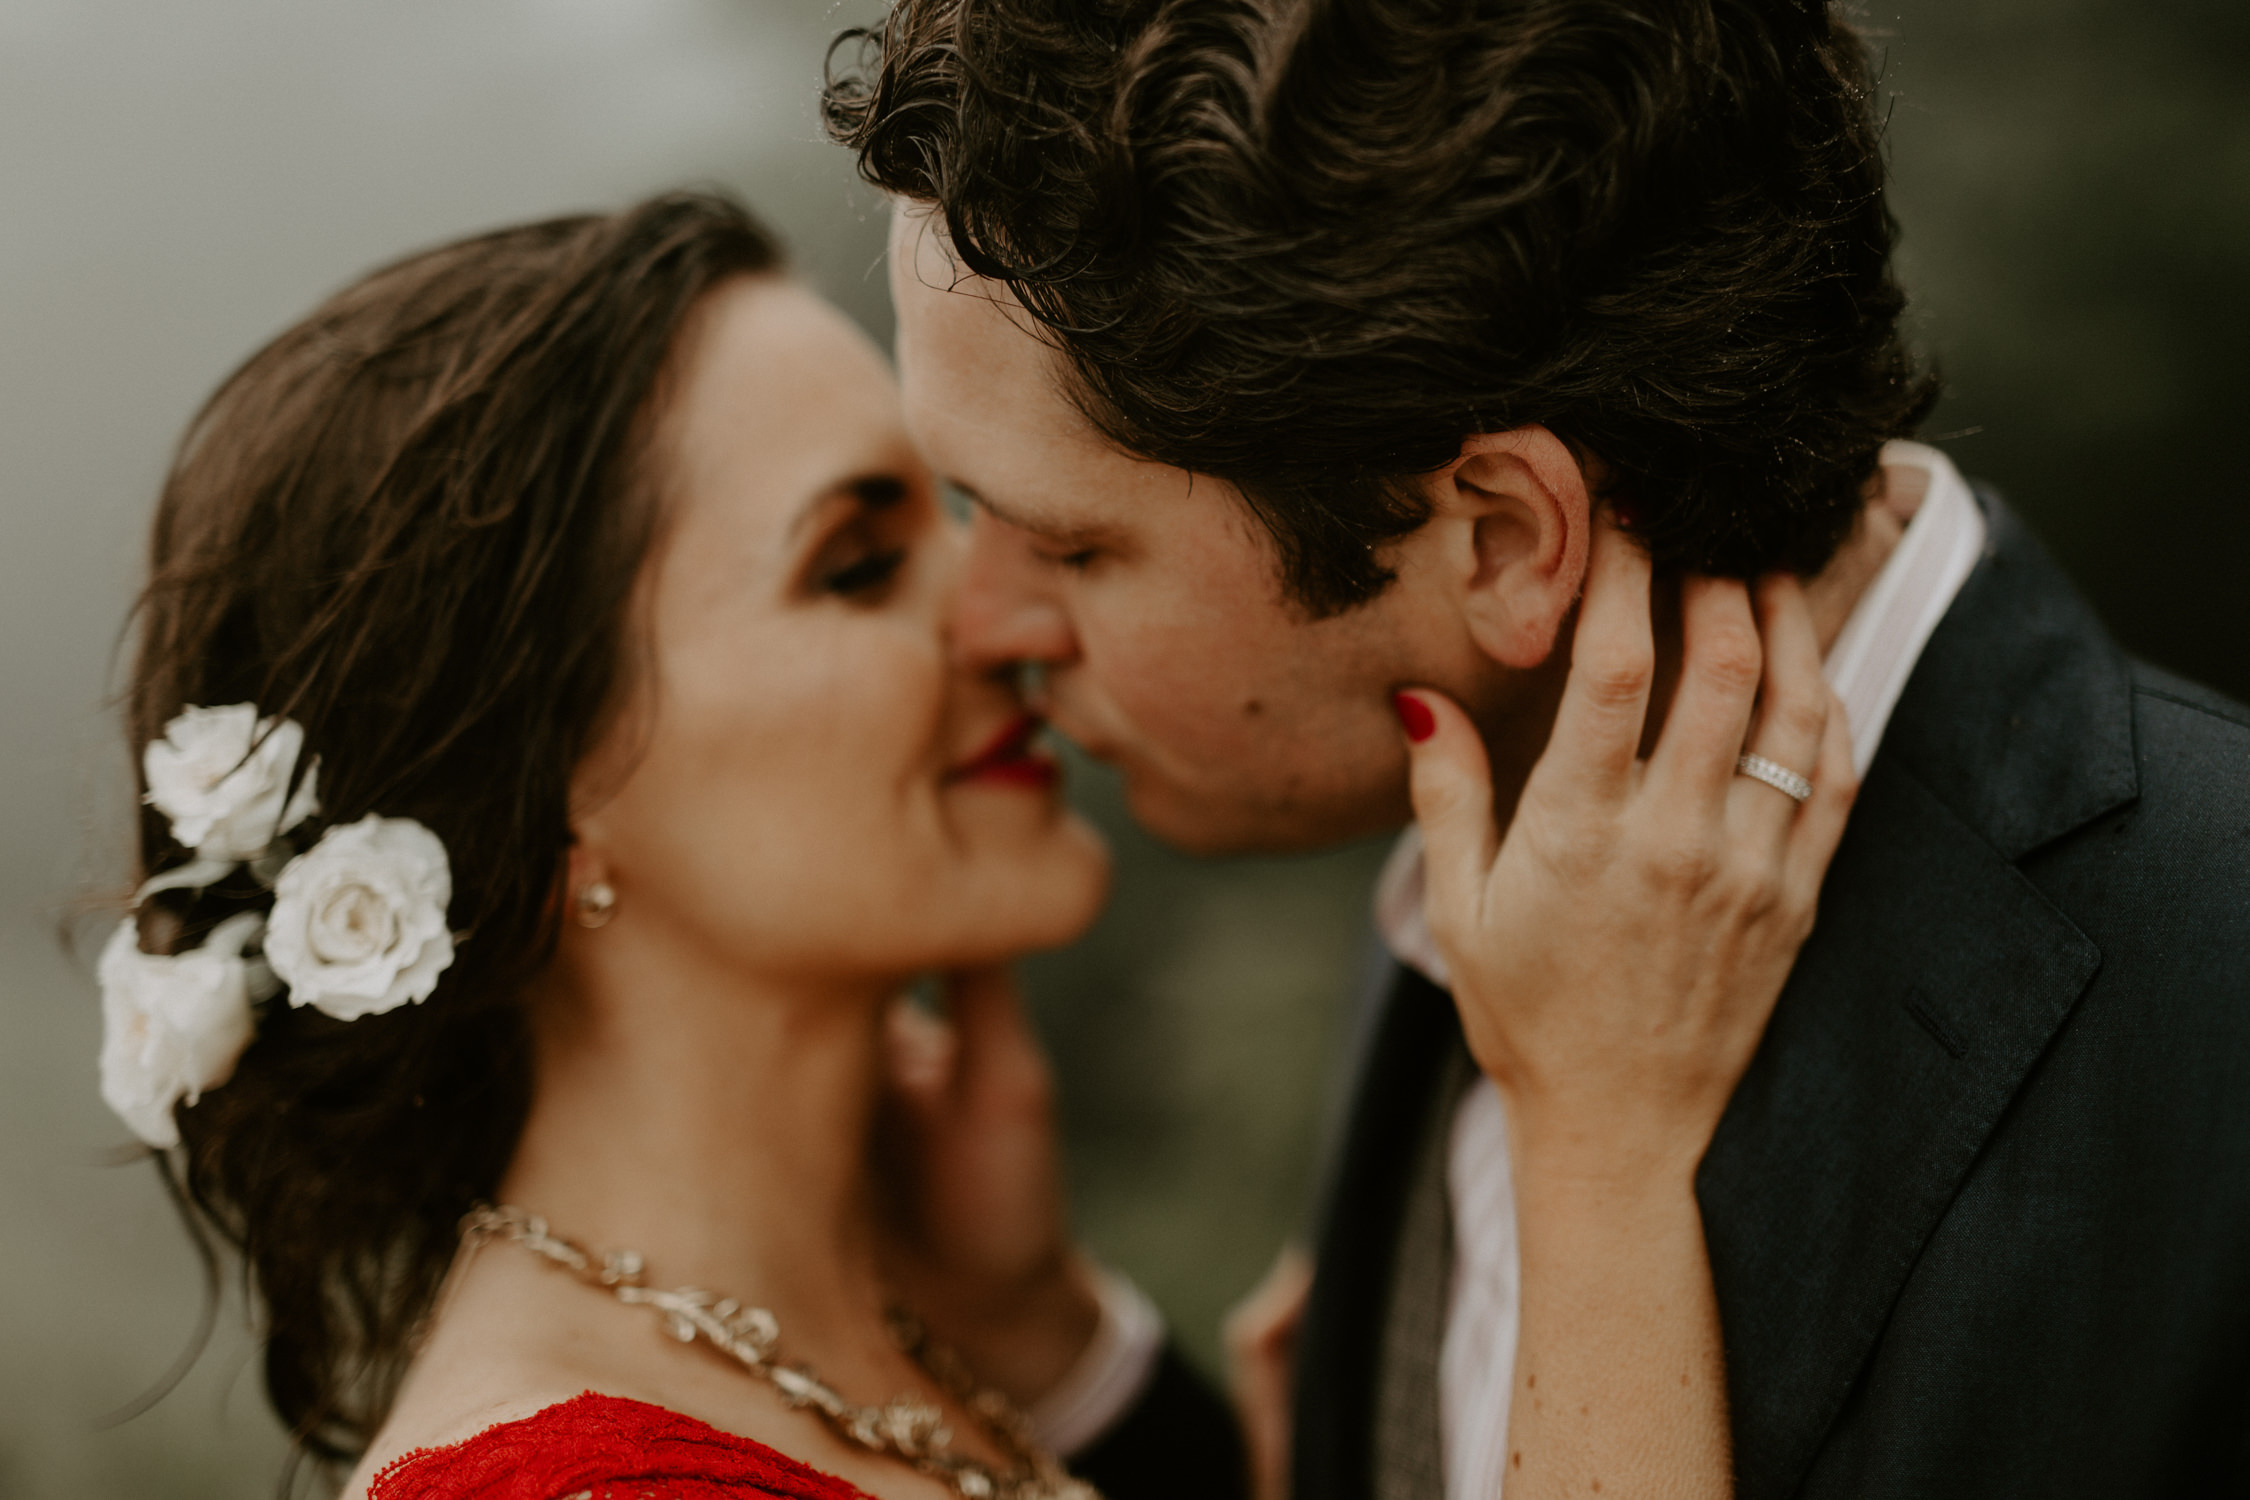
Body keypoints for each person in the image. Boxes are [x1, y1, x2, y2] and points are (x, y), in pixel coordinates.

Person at [98, 190, 1843, 1500]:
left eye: (970, 515)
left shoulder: (907, 1341)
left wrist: (1049, 1350)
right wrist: (1605, 1149)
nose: (1000, 615)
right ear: (546, 807)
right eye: (858, 565)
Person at [823, 1, 2250, 1497]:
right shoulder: (1493, 803)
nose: (980, 624)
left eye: (1065, 543)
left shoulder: (2209, 1005)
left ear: (1502, 539)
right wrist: (1056, 1356)